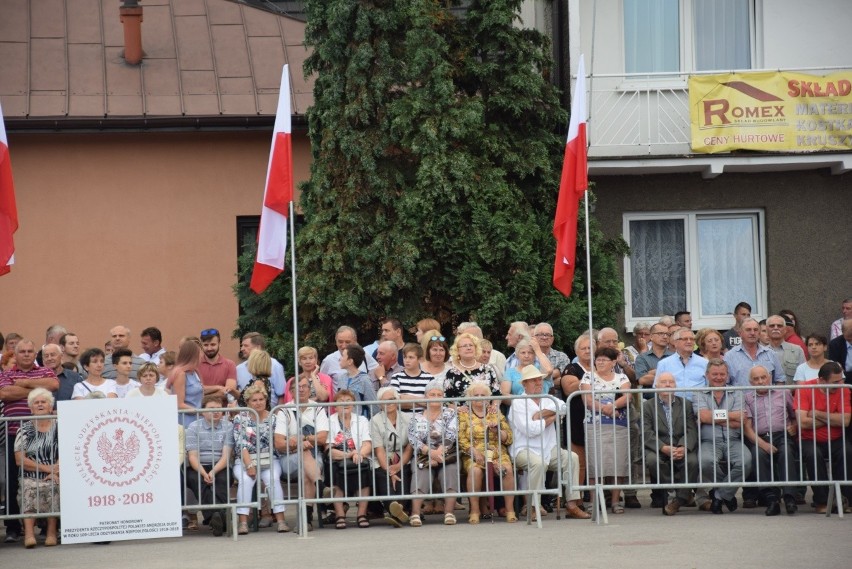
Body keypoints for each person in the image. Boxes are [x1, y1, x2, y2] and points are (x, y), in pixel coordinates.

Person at [510, 365, 589, 520]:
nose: (538, 383)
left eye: (539, 379)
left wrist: (541, 414)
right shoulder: (518, 402)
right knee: (537, 463)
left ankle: (572, 504)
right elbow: (530, 429)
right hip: (524, 449)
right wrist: (553, 417)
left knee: (571, 458)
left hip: (548, 448)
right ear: (524, 384)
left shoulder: (548, 398)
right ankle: (533, 506)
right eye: (533, 380)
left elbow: (563, 407)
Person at [694, 359, 752, 514]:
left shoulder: (737, 392)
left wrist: (714, 418)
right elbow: (704, 416)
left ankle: (719, 495)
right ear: (707, 375)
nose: (719, 377)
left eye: (722, 374)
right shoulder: (699, 393)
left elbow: (740, 420)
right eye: (715, 374)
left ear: (727, 376)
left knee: (745, 462)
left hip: (734, 439)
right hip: (708, 441)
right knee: (705, 462)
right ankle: (728, 494)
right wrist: (730, 416)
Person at [794, 361, 852, 513]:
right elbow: (803, 423)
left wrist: (818, 414)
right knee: (813, 455)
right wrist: (832, 419)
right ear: (821, 381)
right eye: (835, 382)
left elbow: (845, 421)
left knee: (847, 452)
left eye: (841, 380)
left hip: (836, 437)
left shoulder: (843, 389)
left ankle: (846, 499)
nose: (840, 384)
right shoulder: (805, 389)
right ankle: (822, 501)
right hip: (809, 438)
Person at [742, 365, 799, 516]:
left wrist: (794, 426)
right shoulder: (747, 397)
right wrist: (763, 445)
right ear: (750, 382)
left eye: (763, 377)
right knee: (758, 455)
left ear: (770, 378)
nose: (760, 381)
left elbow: (795, 416)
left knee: (786, 452)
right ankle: (771, 499)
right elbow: (747, 428)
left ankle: (790, 498)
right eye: (756, 379)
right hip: (759, 437)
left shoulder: (783, 392)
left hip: (782, 434)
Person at [274, 376, 329, 531]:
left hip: (313, 457)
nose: (302, 389)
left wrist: (301, 438)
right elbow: (278, 443)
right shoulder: (285, 410)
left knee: (306, 472)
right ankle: (320, 485)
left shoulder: (317, 408)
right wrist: (297, 444)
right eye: (298, 387)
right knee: (304, 454)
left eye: (305, 386)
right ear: (291, 391)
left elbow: (323, 438)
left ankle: (306, 519)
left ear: (309, 389)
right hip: (288, 458)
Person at [581, 347, 631, 514]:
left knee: (618, 463)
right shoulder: (588, 376)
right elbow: (588, 400)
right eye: (598, 359)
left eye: (604, 359)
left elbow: (627, 395)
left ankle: (616, 501)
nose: (600, 362)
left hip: (618, 425)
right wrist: (605, 409)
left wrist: (613, 405)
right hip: (594, 425)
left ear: (613, 362)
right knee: (595, 463)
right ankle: (595, 501)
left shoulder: (621, 377)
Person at [458, 382, 517, 523]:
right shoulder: (464, 413)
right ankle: (474, 510)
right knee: (475, 471)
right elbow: (461, 439)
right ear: (469, 397)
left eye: (483, 395)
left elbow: (509, 437)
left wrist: (498, 431)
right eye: (475, 395)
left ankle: (510, 510)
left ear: (488, 397)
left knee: (508, 469)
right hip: (473, 453)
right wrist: (475, 453)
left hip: (496, 452)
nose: (479, 398)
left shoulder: (494, 412)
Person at [233, 384, 287, 534]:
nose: (258, 402)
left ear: (266, 400)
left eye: (261, 399)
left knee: (273, 479)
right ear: (248, 402)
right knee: (245, 481)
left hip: (270, 459)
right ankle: (243, 523)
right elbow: (241, 444)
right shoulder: (240, 418)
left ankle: (281, 520)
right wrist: (249, 464)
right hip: (245, 460)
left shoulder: (274, 418)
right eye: (254, 400)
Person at [642, 373, 698, 516]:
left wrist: (684, 447)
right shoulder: (648, 406)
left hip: (680, 445)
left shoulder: (686, 404)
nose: (667, 385)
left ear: (675, 386)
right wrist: (663, 447)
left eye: (671, 382)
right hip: (659, 447)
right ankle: (680, 492)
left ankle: (678, 500)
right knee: (652, 460)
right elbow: (646, 432)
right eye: (664, 382)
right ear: (656, 386)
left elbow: (691, 429)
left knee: (692, 461)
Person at [407, 379, 459, 526]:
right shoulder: (416, 418)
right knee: (420, 472)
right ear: (426, 397)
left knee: (450, 471)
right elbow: (413, 439)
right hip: (424, 454)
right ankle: (415, 514)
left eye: (439, 394)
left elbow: (452, 434)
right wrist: (430, 453)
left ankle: (449, 513)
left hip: (447, 453)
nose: (436, 397)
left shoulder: (450, 413)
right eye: (432, 394)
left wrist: (439, 453)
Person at [14, 388, 60, 548]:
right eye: (36, 402)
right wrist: (48, 469)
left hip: (55, 473)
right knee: (28, 487)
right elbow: (20, 459)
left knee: (53, 486)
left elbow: (68, 451)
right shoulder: (24, 429)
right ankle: (29, 535)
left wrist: (56, 471)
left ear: (50, 406)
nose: (40, 405)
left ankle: (51, 533)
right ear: (31, 408)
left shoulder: (59, 426)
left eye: (43, 402)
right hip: (30, 474)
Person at [186, 394, 234, 536]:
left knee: (222, 480)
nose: (216, 412)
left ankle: (215, 518)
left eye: (219, 409)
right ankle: (218, 517)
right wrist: (203, 472)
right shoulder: (193, 427)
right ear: (203, 411)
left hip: (219, 464)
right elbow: (192, 456)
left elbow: (226, 456)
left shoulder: (228, 426)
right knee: (195, 479)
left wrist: (212, 471)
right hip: (198, 465)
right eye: (212, 408)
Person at [327, 389, 373, 529]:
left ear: (353, 404)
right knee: (335, 472)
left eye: (348, 401)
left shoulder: (362, 420)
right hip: (339, 457)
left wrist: (359, 454)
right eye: (341, 401)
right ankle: (340, 514)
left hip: (358, 456)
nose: (345, 404)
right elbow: (329, 449)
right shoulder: (330, 420)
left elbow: (367, 444)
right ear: (335, 405)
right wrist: (348, 454)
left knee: (363, 469)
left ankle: (361, 514)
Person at [369, 386, 413, 527]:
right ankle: (399, 513)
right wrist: (390, 470)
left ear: (397, 400)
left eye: (392, 399)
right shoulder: (375, 420)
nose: (389, 403)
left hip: (403, 458)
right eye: (385, 400)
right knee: (384, 478)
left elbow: (409, 447)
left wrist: (398, 466)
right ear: (380, 403)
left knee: (403, 475)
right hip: (383, 460)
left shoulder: (408, 418)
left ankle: (396, 514)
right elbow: (379, 450)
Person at [560, 333, 593, 498]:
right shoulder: (571, 368)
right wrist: (590, 381)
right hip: (576, 418)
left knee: (597, 461)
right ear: (576, 351)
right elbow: (568, 388)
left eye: (590, 348)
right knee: (578, 462)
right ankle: (575, 498)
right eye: (584, 348)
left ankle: (599, 497)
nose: (587, 351)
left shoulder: (601, 366)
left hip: (599, 418)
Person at [724, 318, 784, 387]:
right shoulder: (730, 356)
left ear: (759, 333)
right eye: (748, 330)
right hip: (740, 397)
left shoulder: (771, 354)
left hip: (768, 397)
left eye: (755, 330)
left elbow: (780, 380)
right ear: (740, 334)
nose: (752, 333)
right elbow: (726, 383)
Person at [654, 328, 708, 401]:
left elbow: (709, 386)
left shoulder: (705, 363)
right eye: (685, 339)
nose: (689, 342)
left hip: (698, 405)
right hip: (674, 406)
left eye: (691, 339)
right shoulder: (664, 363)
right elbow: (656, 386)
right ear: (675, 343)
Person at [443, 333, 501, 400]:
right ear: (457, 350)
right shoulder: (451, 373)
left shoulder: (488, 369)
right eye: (464, 346)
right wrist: (458, 409)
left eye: (471, 345)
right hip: (461, 410)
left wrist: (494, 406)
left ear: (476, 348)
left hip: (485, 409)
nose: (469, 348)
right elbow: (446, 401)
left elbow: (497, 395)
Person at [236, 333, 286, 407]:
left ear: (257, 347)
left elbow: (281, 394)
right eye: (242, 345)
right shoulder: (239, 369)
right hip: (245, 416)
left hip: (268, 414)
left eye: (246, 346)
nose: (242, 349)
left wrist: (278, 415)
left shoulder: (275, 365)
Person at [333, 344, 378, 418]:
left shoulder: (364, 379)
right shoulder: (341, 378)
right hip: (343, 421)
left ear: (350, 361)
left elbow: (374, 405)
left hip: (359, 423)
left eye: (343, 356)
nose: (339, 359)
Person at [168, 340, 204, 428]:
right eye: (199, 353)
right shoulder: (180, 374)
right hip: (185, 421)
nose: (202, 356)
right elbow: (179, 404)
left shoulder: (195, 372)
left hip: (197, 419)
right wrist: (201, 412)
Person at [197, 328, 239, 403]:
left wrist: (203, 398)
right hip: (200, 413)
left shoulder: (230, 365)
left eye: (213, 344)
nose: (209, 348)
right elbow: (194, 390)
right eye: (206, 345)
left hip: (223, 413)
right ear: (201, 346)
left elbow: (228, 391)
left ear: (219, 344)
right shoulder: (195, 364)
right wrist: (218, 388)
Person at [390, 343, 434, 413]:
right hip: (402, 419)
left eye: (411, 357)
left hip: (423, 419)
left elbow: (431, 402)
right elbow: (395, 402)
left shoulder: (429, 378)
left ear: (420, 359)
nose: (407, 360)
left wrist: (404, 398)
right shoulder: (396, 377)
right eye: (405, 357)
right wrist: (421, 400)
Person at [636, 323, 673, 399]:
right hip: (650, 400)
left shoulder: (675, 356)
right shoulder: (642, 357)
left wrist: (653, 372)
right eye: (660, 333)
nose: (665, 336)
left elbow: (678, 377)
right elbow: (643, 380)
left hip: (672, 398)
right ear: (651, 337)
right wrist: (668, 375)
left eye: (667, 334)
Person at [765, 314, 806, 384]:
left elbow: (803, 377)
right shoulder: (761, 352)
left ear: (785, 330)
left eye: (779, 326)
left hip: (791, 394)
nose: (775, 328)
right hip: (768, 394)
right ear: (766, 330)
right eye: (772, 326)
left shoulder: (797, 351)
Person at [533, 322, 570, 388]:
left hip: (556, 396)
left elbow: (565, 380)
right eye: (540, 335)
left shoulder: (562, 357)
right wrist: (555, 374)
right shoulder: (528, 356)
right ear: (534, 337)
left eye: (547, 335)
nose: (544, 337)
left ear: (552, 339)